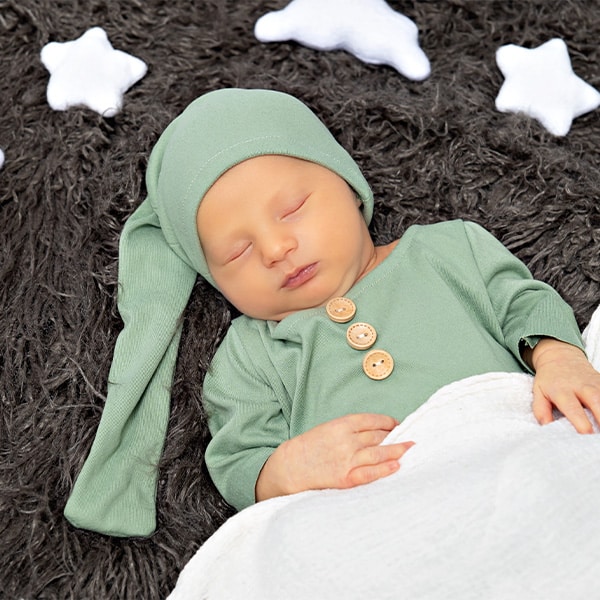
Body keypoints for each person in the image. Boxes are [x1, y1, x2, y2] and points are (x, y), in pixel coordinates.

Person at [64, 88, 600, 538]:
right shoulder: (250, 356)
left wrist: (559, 360)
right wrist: (287, 469)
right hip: (385, 523)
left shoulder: (447, 251)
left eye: (293, 209)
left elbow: (524, 302)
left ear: (346, 185)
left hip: (519, 457)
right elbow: (236, 456)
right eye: (237, 253)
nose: (275, 248)